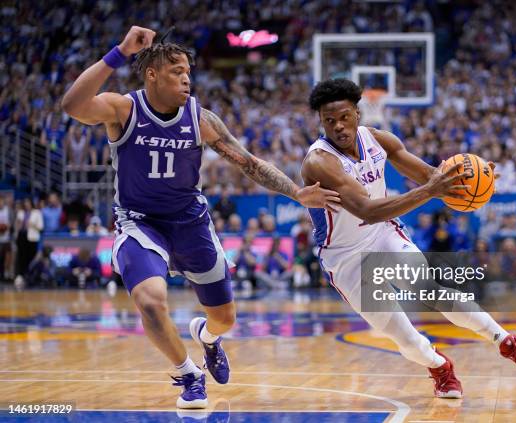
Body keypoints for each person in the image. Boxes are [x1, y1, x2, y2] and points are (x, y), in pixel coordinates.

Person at [61, 26, 339, 409]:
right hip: (140, 223)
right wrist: (121, 51)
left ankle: (208, 337)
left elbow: (249, 162)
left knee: (224, 318)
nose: (187, 77)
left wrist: (296, 192)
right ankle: (189, 374)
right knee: (151, 300)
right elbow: (72, 105)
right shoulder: (123, 109)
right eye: (177, 70)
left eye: (188, 70)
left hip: (191, 224)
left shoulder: (200, 118)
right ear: (152, 74)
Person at [301, 79, 516, 399]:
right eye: (329, 121)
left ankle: (507, 342)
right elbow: (367, 209)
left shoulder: (378, 140)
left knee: (428, 288)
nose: (338, 127)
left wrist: (474, 182)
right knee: (405, 338)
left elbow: (432, 177)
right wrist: (430, 191)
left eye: (344, 117)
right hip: (345, 256)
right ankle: (439, 366)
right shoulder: (320, 161)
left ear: (357, 114)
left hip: (382, 235)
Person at [14, 198, 44, 289]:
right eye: (25, 202)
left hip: (32, 238)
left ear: (31, 203)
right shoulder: (20, 213)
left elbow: (41, 227)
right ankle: (21, 276)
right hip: (21, 237)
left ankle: (30, 276)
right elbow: (17, 226)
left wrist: (31, 224)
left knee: (31, 258)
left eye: (28, 202)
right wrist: (17, 225)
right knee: (21, 258)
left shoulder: (37, 213)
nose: (26, 204)